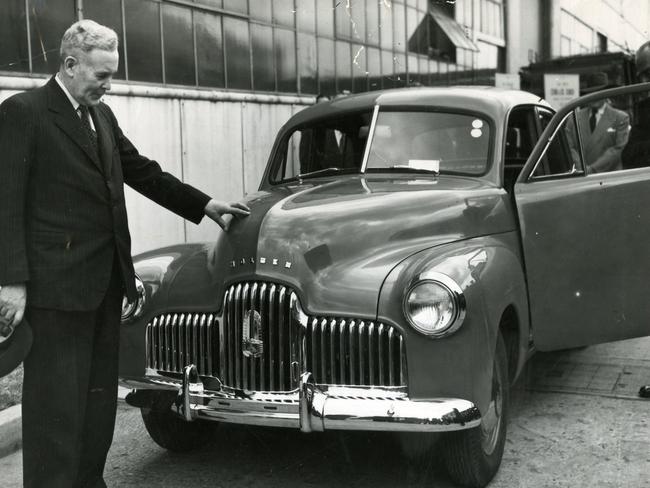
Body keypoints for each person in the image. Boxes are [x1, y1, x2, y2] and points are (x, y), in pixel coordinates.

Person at [0, 19, 250, 487]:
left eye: (112, 74)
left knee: (96, 409)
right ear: (71, 65)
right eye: (101, 75)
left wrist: (204, 204)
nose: (109, 85)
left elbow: (142, 172)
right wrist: (11, 282)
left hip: (103, 286)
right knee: (56, 412)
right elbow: (5, 201)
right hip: (55, 294)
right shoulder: (25, 112)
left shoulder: (102, 117)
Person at [575, 97, 629, 173]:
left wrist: (592, 168)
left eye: (598, 93)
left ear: (605, 96)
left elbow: (617, 148)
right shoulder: (575, 117)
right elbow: (571, 147)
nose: (594, 97)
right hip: (581, 176)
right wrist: (581, 168)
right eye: (591, 93)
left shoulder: (621, 117)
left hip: (609, 175)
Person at [622, 41, 650, 170]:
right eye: (642, 77)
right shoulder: (645, 108)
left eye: (648, 74)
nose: (644, 82)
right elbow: (629, 156)